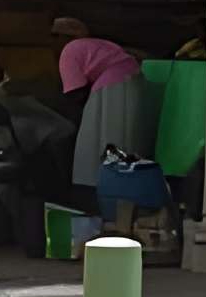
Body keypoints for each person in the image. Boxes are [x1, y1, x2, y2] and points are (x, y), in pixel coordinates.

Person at [54, 16, 152, 191]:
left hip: (111, 88)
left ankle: (95, 194)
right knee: (125, 141)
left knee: (97, 145)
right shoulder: (98, 44)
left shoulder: (69, 50)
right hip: (134, 82)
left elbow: (75, 94)